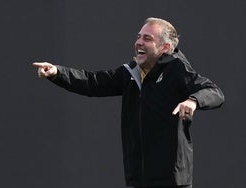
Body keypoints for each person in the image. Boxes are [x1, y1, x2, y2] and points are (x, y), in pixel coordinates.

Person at [32, 17, 224, 188]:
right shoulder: (131, 72)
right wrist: (57, 72)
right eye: (139, 37)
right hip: (137, 178)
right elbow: (93, 82)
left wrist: (193, 100)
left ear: (165, 47)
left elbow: (214, 92)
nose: (139, 42)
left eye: (147, 39)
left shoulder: (176, 69)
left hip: (171, 181)